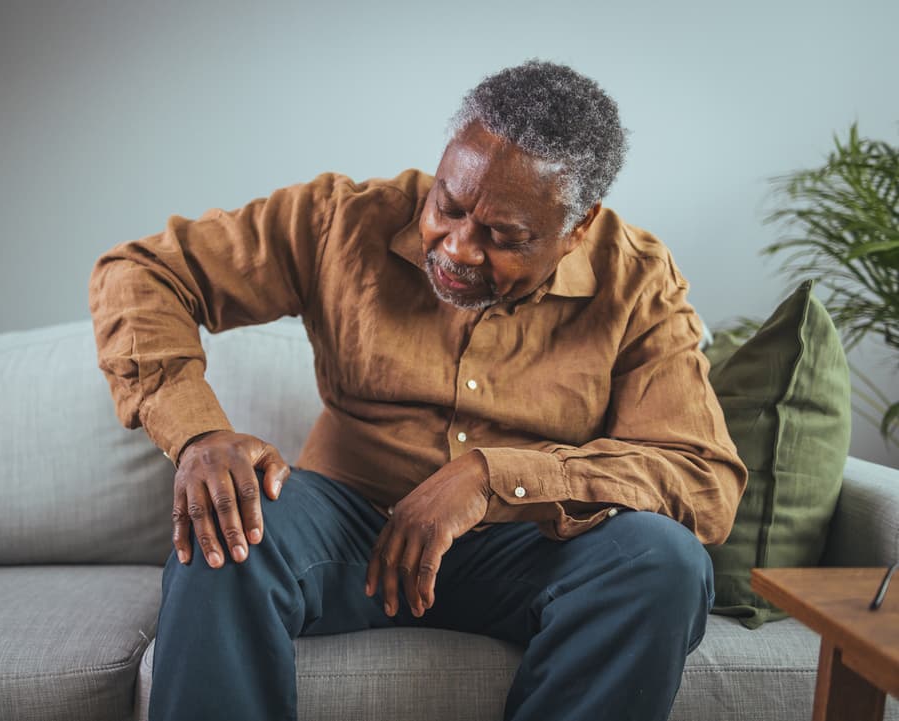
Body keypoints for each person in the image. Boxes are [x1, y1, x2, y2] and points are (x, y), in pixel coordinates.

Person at [88, 60, 747, 721]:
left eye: (502, 235)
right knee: (225, 532)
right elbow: (141, 273)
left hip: (530, 547)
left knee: (665, 563)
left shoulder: (636, 280)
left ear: (576, 229)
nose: (458, 248)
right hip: (347, 529)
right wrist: (199, 434)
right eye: (449, 206)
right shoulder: (341, 221)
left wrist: (493, 479)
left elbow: (701, 477)